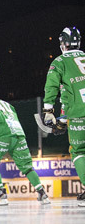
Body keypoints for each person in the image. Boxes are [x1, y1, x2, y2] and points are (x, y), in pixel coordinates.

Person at [0, 80, 50, 206]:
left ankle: (1, 192)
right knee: (27, 167)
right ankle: (42, 193)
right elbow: (9, 120)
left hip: (4, 136)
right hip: (19, 135)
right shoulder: (7, 104)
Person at [43, 26, 85, 207]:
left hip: (80, 113)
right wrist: (62, 116)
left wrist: (48, 110)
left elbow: (53, 86)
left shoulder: (59, 62)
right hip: (74, 110)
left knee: (78, 151)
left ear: (63, 44)